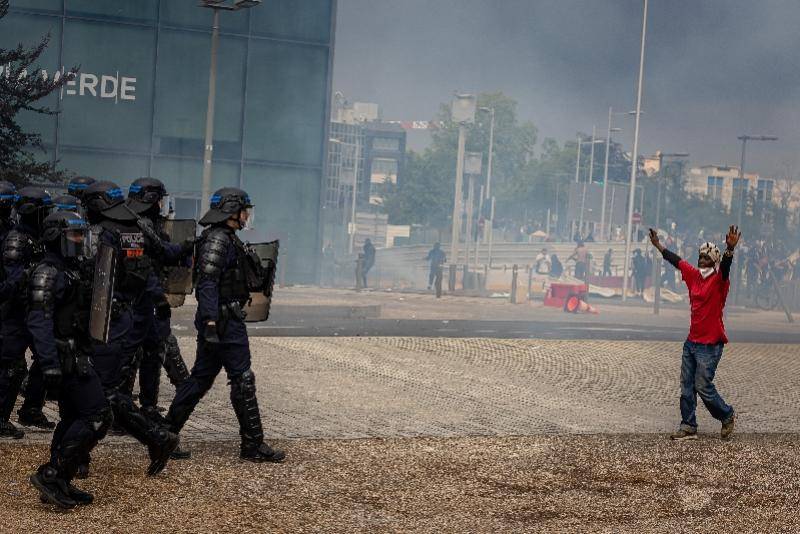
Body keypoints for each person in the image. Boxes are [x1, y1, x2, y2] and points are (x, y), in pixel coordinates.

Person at [166, 188, 285, 463]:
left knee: (200, 379)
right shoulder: (218, 240)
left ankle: (165, 434)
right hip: (223, 320)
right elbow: (207, 283)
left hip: (222, 318)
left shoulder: (227, 238)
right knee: (242, 378)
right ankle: (253, 445)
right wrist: (209, 322)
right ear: (232, 212)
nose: (247, 215)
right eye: (244, 210)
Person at [82, 180, 178, 476]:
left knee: (97, 390)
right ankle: (73, 460)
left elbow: (97, 280)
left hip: (105, 319)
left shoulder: (107, 234)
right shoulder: (131, 229)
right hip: (114, 318)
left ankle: (155, 436)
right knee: (94, 388)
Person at [27, 211, 112, 509]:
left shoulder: (68, 269)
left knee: (75, 417)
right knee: (98, 415)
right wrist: (48, 362)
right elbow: (39, 320)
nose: (79, 241)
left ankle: (60, 479)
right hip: (64, 358)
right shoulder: (47, 272)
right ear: (56, 237)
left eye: (80, 235)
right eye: (73, 236)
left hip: (77, 353)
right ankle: (52, 476)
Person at [121, 178, 193, 460]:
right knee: (141, 359)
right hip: (142, 306)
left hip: (146, 306)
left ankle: (146, 416)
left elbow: (164, 254)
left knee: (149, 358)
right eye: (159, 199)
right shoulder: (137, 227)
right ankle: (146, 425)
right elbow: (143, 270)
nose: (163, 205)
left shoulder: (142, 225)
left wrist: (186, 247)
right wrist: (159, 299)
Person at [649, 226, 738, 441]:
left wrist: (729, 249)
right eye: (700, 257)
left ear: (714, 262)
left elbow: (726, 267)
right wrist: (658, 245)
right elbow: (676, 260)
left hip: (711, 344)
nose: (701, 261)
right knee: (686, 385)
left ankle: (726, 414)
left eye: (706, 258)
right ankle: (688, 425)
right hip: (692, 342)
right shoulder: (693, 275)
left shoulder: (719, 281)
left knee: (702, 386)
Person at [0, 187, 54, 439]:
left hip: (34, 311)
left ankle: (31, 408)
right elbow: (12, 281)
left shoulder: (39, 236)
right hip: (15, 313)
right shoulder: (16, 238)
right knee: (13, 366)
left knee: (46, 358)